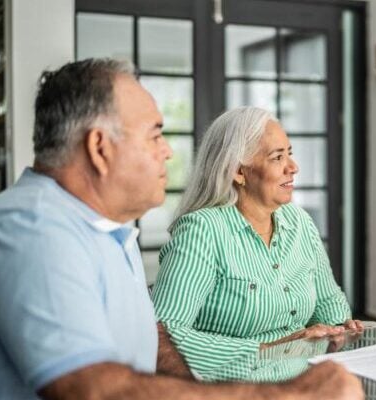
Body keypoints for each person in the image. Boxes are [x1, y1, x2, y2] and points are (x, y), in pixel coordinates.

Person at [0, 59, 362, 400]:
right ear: (100, 148)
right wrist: (289, 395)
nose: (168, 153)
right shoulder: (31, 230)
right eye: (155, 135)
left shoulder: (106, 232)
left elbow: (159, 346)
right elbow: (99, 390)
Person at [151, 106, 363, 382]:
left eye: (290, 153)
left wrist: (340, 329)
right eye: (277, 157)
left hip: (303, 382)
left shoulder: (298, 221)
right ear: (240, 172)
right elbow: (162, 335)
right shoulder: (202, 231)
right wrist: (269, 350)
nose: (293, 167)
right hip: (235, 389)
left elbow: (328, 302)